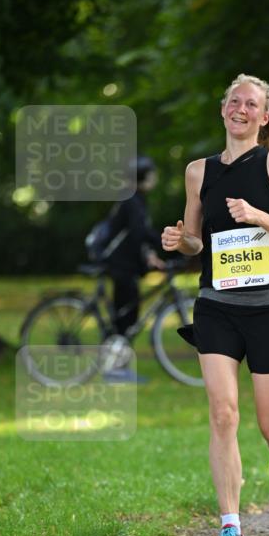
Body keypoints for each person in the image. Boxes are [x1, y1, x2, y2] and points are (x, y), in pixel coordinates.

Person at [162, 74, 269, 536]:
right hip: (216, 305)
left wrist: (261, 217)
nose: (240, 108)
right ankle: (231, 530)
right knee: (222, 414)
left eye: (250, 103)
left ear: (264, 115)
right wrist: (182, 242)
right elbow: (196, 241)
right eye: (233, 100)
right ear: (223, 110)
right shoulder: (198, 172)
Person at [105, 156, 165, 382]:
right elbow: (139, 232)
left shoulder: (132, 199)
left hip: (124, 265)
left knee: (126, 317)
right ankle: (116, 370)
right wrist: (167, 242)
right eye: (151, 173)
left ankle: (118, 367)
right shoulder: (132, 200)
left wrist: (149, 253)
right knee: (126, 319)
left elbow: (134, 234)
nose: (155, 178)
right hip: (122, 266)